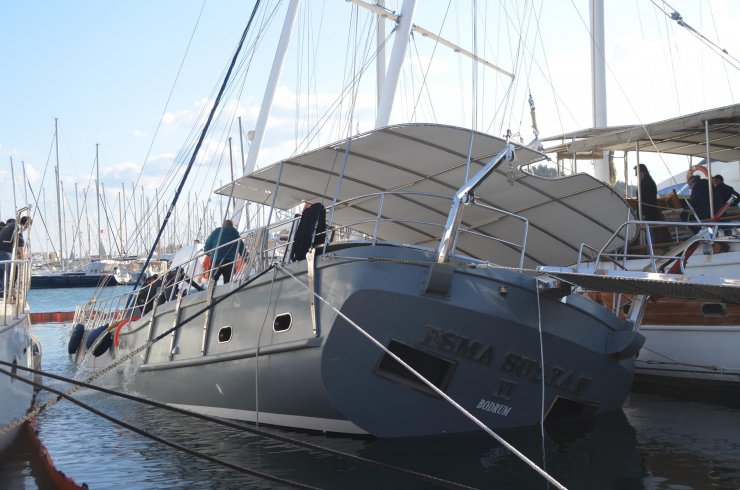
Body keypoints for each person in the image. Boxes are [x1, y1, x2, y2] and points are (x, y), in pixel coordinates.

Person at [204, 219, 245, 284]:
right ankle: (228, 293)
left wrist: (210, 254)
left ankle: (211, 292)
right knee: (227, 283)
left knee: (212, 282)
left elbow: (206, 249)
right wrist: (248, 259)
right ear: (231, 226)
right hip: (229, 262)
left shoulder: (216, 232)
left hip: (216, 261)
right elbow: (242, 250)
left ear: (223, 225)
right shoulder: (235, 233)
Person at [0, 216, 32, 297]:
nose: (27, 228)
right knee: (10, 271)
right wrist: (23, 257)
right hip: (4, 251)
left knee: (4, 272)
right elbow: (21, 249)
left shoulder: (12, 225)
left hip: (3, 250)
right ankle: (6, 293)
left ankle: (4, 292)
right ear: (27, 224)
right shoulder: (18, 228)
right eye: (28, 226)